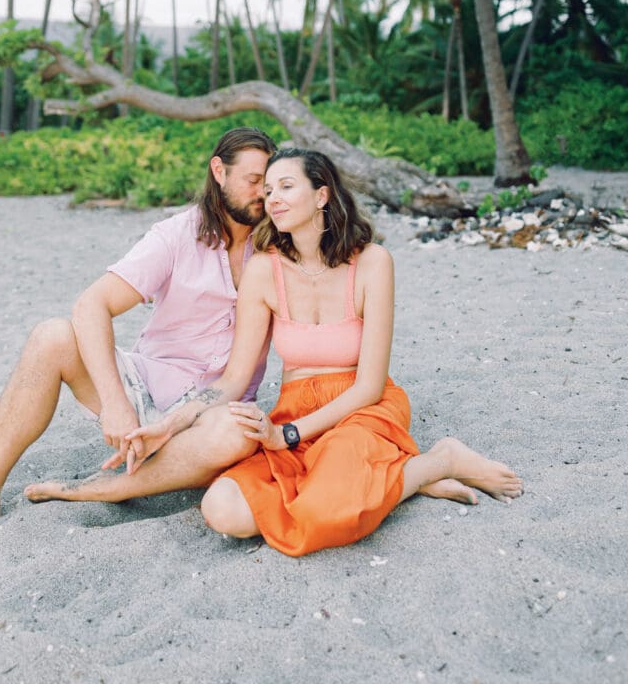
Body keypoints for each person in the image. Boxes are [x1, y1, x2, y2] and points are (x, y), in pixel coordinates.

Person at [125, 148, 524, 557]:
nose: (272, 198)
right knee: (223, 510)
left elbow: (370, 385)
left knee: (320, 512)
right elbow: (231, 380)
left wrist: (289, 435)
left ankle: (442, 460)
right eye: (267, 189)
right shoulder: (264, 270)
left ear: (322, 195)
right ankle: (406, 478)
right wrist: (171, 424)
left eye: (286, 186)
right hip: (293, 410)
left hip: (360, 408)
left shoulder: (372, 263)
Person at [0, 126, 277, 554]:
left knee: (238, 431)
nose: (263, 195)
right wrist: (117, 407)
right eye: (254, 182)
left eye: (269, 185)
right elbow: (91, 305)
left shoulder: (277, 243)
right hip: (146, 389)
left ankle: (109, 487)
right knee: (51, 337)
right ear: (219, 171)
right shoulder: (177, 235)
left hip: (213, 413)